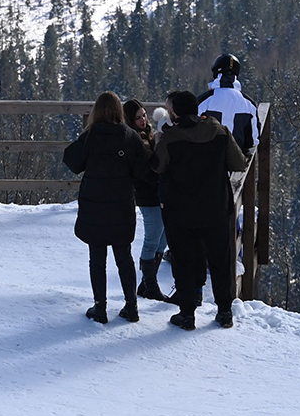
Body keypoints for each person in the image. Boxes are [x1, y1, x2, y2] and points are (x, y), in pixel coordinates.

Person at [154, 88, 248, 330]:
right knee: (220, 260)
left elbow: (157, 167)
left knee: (184, 261)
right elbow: (238, 162)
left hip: (181, 210)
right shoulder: (218, 131)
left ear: (173, 112)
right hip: (215, 206)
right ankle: (225, 312)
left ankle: (187, 315)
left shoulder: (170, 138)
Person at [63, 92, 157, 324]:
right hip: (122, 205)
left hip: (94, 206)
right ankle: (131, 307)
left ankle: (100, 308)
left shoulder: (90, 136)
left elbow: (72, 161)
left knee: (97, 258)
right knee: (124, 258)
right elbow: (143, 173)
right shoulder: (130, 137)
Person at [124, 97, 172, 302]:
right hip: (147, 194)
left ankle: (147, 282)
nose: (143, 120)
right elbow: (147, 168)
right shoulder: (134, 140)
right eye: (138, 118)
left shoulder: (148, 135)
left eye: (144, 115)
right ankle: (149, 284)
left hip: (157, 192)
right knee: (153, 238)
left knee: (163, 237)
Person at [198, 53, 259, 154]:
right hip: (237, 160)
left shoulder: (204, 100)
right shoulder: (249, 104)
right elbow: (253, 140)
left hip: (207, 158)